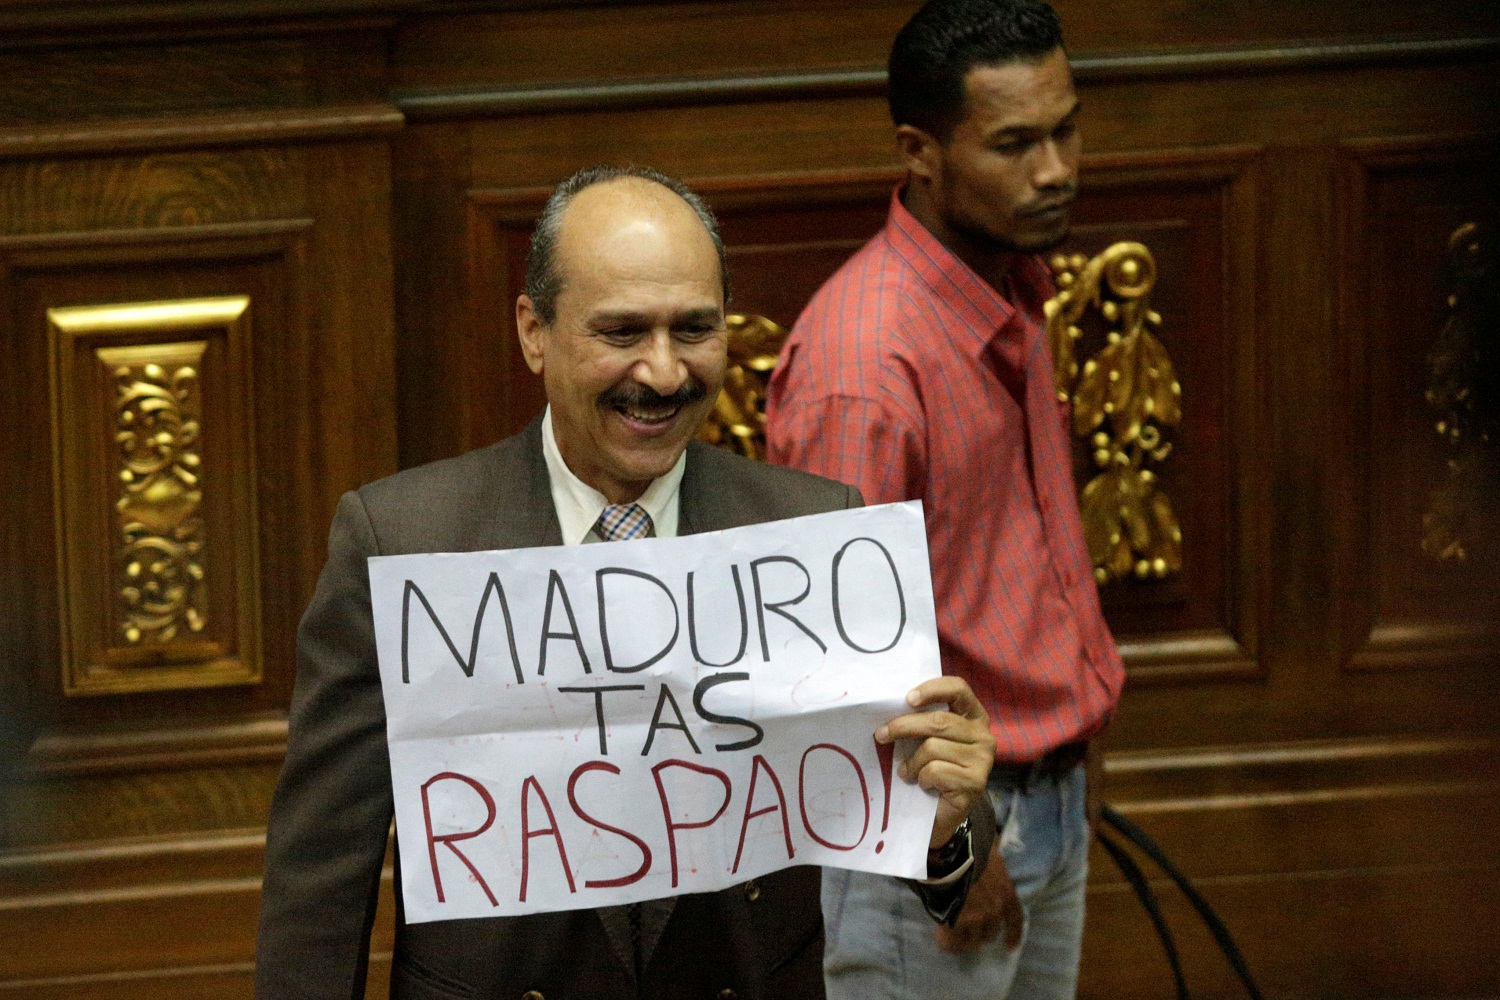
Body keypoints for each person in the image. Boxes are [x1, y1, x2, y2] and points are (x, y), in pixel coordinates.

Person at [255, 164, 999, 999]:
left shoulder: (814, 537)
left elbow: (914, 850)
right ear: (534, 331)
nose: (663, 372)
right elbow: (322, 871)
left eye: (694, 329)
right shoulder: (401, 544)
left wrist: (946, 826)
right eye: (621, 332)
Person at [765, 1, 1126, 997]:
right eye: (1015, 143)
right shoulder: (863, 364)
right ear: (920, 151)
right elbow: (838, 664)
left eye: (1066, 128)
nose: (1054, 168)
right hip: (937, 832)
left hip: (1044, 793)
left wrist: (1079, 752)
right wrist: (948, 849)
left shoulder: (1009, 283)